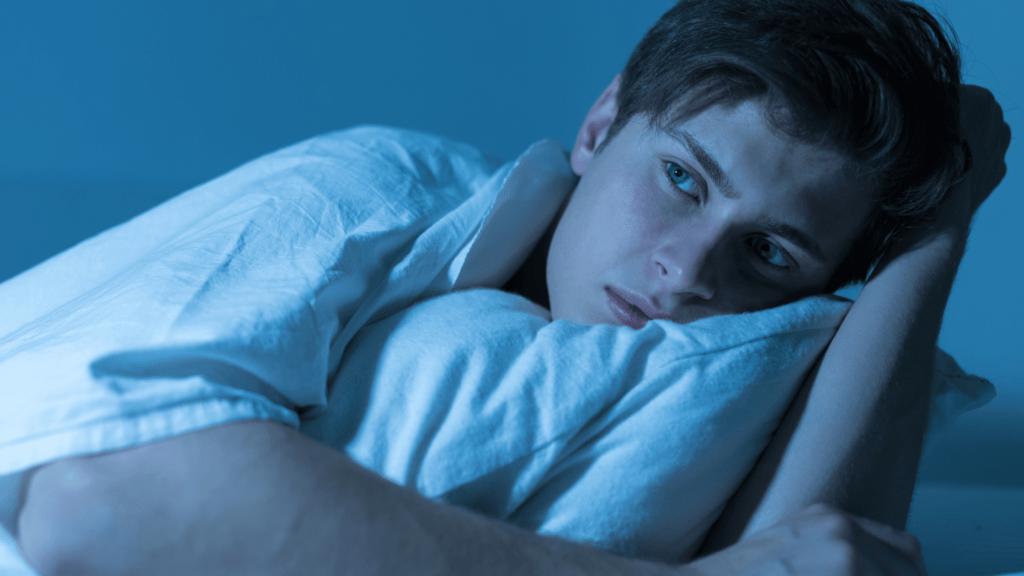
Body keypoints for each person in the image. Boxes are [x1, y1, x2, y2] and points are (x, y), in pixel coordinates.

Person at [7, 0, 1009, 575]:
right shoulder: (374, 190)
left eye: (771, 251)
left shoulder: (747, 353)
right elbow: (95, 504)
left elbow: (817, 559)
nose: (690, 271)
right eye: (681, 180)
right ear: (601, 124)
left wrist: (936, 231)